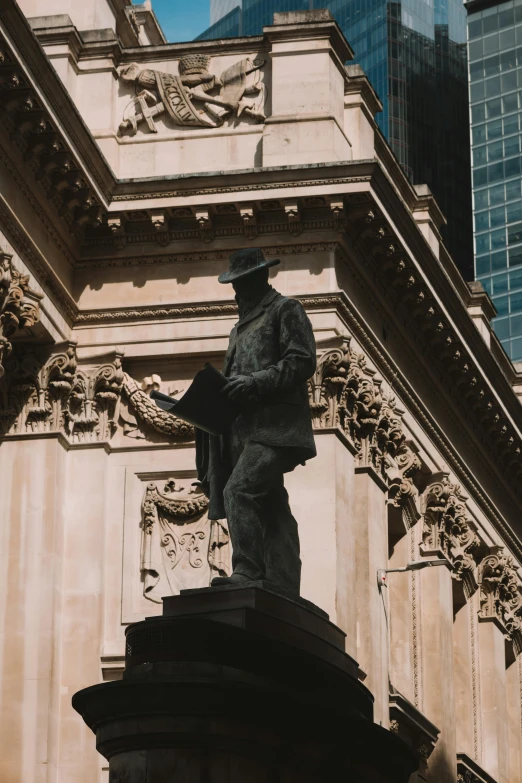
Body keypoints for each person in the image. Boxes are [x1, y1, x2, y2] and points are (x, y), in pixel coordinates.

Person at [196, 248, 316, 594]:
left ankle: (247, 571)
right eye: (234, 284)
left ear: (261, 278)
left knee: (239, 490)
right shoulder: (238, 329)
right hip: (242, 431)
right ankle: (284, 581)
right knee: (273, 507)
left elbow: (303, 360)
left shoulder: (285, 309)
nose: (237, 291)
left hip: (274, 428)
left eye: (242, 283)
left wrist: (255, 382)